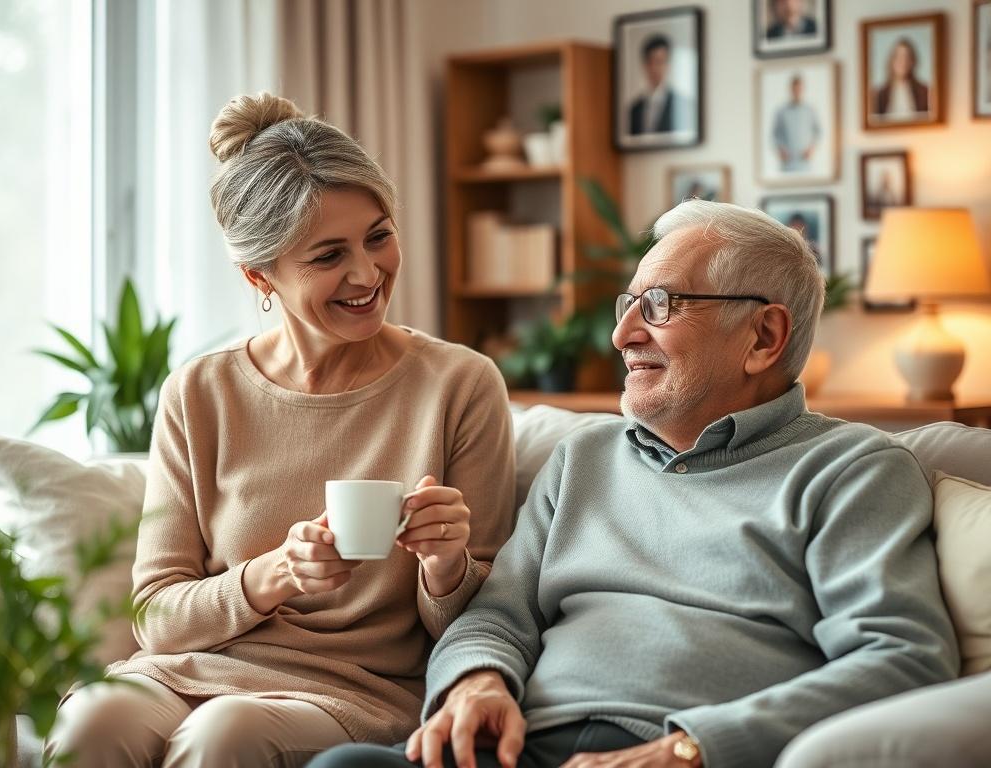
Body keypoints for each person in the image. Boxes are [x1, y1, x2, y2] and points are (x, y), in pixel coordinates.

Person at [313, 199, 959, 768]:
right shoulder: (583, 456)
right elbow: (499, 615)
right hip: (517, 749)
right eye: (630, 305)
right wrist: (479, 681)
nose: (622, 335)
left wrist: (693, 747)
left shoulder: (851, 470)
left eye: (661, 304)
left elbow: (902, 658)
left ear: (763, 337)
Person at [44, 92, 516, 767]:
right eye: (328, 256)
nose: (366, 273)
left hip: (355, 689)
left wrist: (445, 566)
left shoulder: (459, 386)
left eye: (378, 236)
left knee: (225, 735)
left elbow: (485, 621)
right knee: (95, 718)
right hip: (186, 671)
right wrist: (275, 574)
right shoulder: (200, 393)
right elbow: (153, 616)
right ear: (258, 274)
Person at [628, 35, 687, 135]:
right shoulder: (634, 109)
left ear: (668, 65)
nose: (655, 68)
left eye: (660, 62)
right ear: (645, 65)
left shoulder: (681, 105)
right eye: (651, 62)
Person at [771, 74, 821, 173]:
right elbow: (775, 134)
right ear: (790, 90)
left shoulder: (810, 111)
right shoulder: (781, 111)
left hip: (805, 163)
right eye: (795, 89)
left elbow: (818, 132)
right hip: (787, 163)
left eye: (799, 89)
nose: (797, 92)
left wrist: (811, 149)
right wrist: (781, 150)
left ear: (803, 90)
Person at [872, 38, 930, 118]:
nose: (903, 62)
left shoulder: (924, 91)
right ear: (892, 61)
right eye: (899, 57)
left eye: (906, 57)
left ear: (912, 61)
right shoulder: (880, 94)